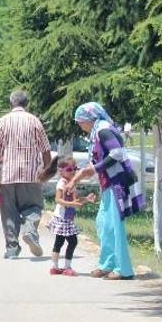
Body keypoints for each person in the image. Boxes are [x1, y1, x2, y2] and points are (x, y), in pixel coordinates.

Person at [65, 102, 145, 280]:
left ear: (89, 119)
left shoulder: (103, 130)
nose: (79, 125)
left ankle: (123, 269)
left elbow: (116, 152)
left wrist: (95, 169)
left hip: (117, 182)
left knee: (115, 226)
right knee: (104, 224)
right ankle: (107, 264)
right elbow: (95, 162)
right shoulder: (97, 131)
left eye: (80, 121)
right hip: (108, 183)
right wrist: (77, 178)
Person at [0, 90, 52, 259]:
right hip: (31, 175)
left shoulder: (2, 122)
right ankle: (29, 230)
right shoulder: (35, 121)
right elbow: (46, 150)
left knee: (9, 212)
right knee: (34, 206)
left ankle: (12, 248)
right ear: (26, 104)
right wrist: (46, 170)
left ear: (11, 103)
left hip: (8, 176)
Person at [42, 156, 96, 276]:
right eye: (69, 169)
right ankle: (65, 267)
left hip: (67, 218)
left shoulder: (72, 183)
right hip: (61, 218)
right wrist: (71, 204)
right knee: (71, 241)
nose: (73, 171)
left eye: (75, 169)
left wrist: (86, 199)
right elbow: (58, 199)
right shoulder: (62, 183)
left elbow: (76, 200)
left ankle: (56, 267)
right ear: (61, 171)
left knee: (61, 241)